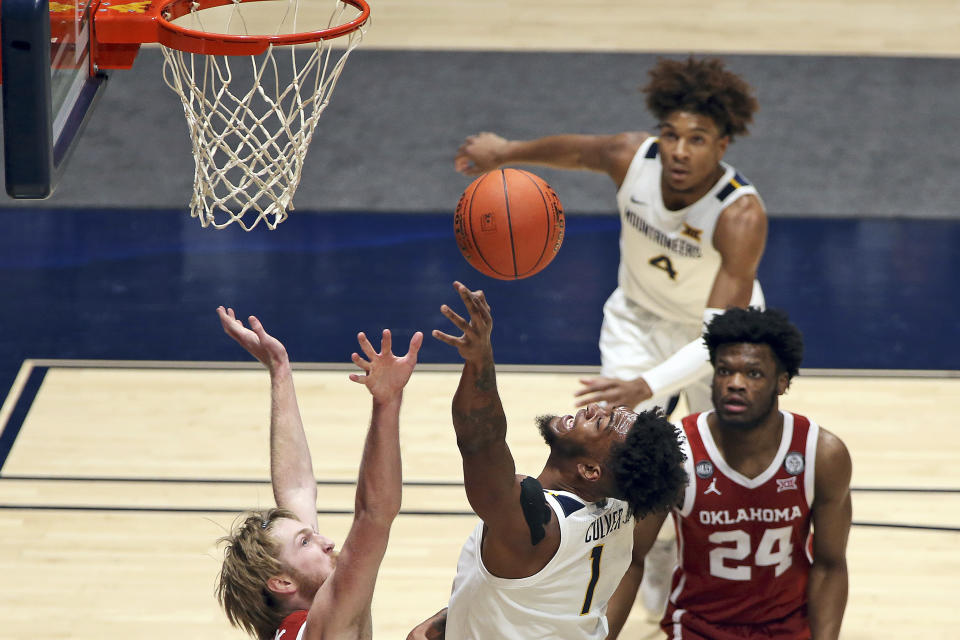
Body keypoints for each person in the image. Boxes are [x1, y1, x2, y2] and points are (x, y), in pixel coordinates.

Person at [454, 55, 767, 616]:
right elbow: (578, 151)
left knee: (723, 463)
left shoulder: (738, 215)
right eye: (671, 134)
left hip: (716, 338)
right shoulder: (632, 157)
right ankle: (640, 554)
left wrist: (647, 384)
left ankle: (701, 559)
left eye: (697, 139)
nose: (678, 150)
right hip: (637, 320)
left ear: (722, 145)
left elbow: (716, 342)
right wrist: (502, 154)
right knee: (629, 453)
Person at [407, 282, 688, 640]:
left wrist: (480, 358)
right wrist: (455, 615)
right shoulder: (624, 506)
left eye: (599, 423)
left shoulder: (534, 523)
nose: (591, 410)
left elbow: (479, 442)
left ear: (590, 470)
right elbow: (547, 594)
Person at [606, 307, 852, 640]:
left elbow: (830, 565)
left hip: (789, 627)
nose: (735, 384)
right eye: (724, 371)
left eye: (753, 373)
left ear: (782, 382)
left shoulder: (821, 454)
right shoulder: (675, 453)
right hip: (698, 627)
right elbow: (631, 558)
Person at [213, 306, 422, 640]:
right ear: (282, 582)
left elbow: (297, 488)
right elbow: (373, 515)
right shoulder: (327, 621)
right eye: (306, 541)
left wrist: (279, 368)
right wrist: (387, 402)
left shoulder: (290, 626)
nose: (327, 542)